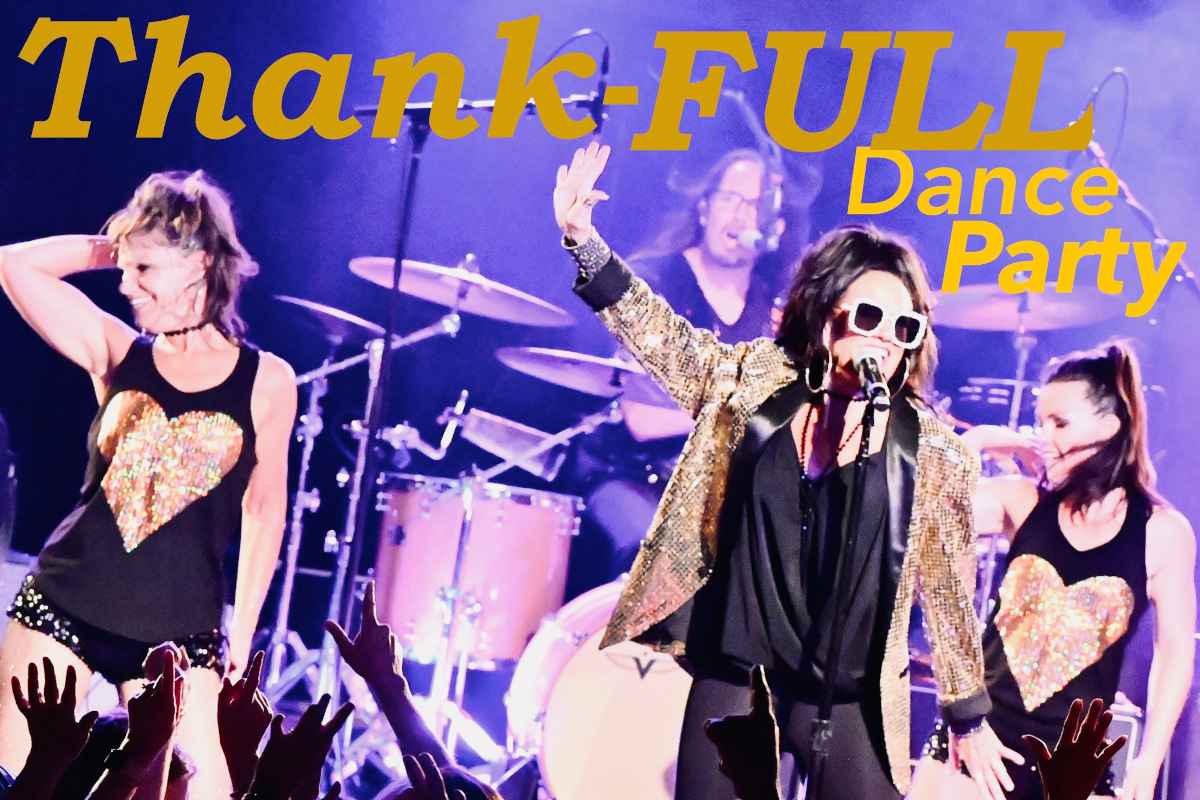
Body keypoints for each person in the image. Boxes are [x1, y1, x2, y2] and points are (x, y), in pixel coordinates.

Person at [553, 142, 1006, 799]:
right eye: (870, 317)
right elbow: (665, 340)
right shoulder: (754, 384)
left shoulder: (932, 450)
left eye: (905, 326)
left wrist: (968, 714)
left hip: (849, 694)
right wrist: (584, 243)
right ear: (826, 317)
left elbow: (946, 589)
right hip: (739, 672)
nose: (886, 336)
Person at [0, 171, 297, 800]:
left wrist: (243, 630)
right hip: (65, 604)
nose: (125, 284)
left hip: (180, 635)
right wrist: (118, 245)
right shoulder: (119, 351)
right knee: (12, 785)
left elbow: (265, 507)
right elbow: (12, 265)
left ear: (200, 264)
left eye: (144, 269)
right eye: (125, 268)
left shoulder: (267, 381)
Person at [910, 341, 1196, 800]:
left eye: (1059, 423)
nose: (1041, 436)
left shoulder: (1163, 532)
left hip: (1073, 766)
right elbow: (924, 512)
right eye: (1039, 421)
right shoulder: (1022, 499)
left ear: (1109, 427)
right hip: (982, 743)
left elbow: (1175, 650)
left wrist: (1150, 759)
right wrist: (976, 441)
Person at [572, 149, 819, 589]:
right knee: (662, 551)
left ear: (775, 227)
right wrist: (749, 414)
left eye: (756, 205)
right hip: (628, 473)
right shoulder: (653, 284)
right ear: (704, 208)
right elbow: (643, 419)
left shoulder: (777, 311)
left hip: (714, 491)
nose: (742, 214)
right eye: (731, 198)